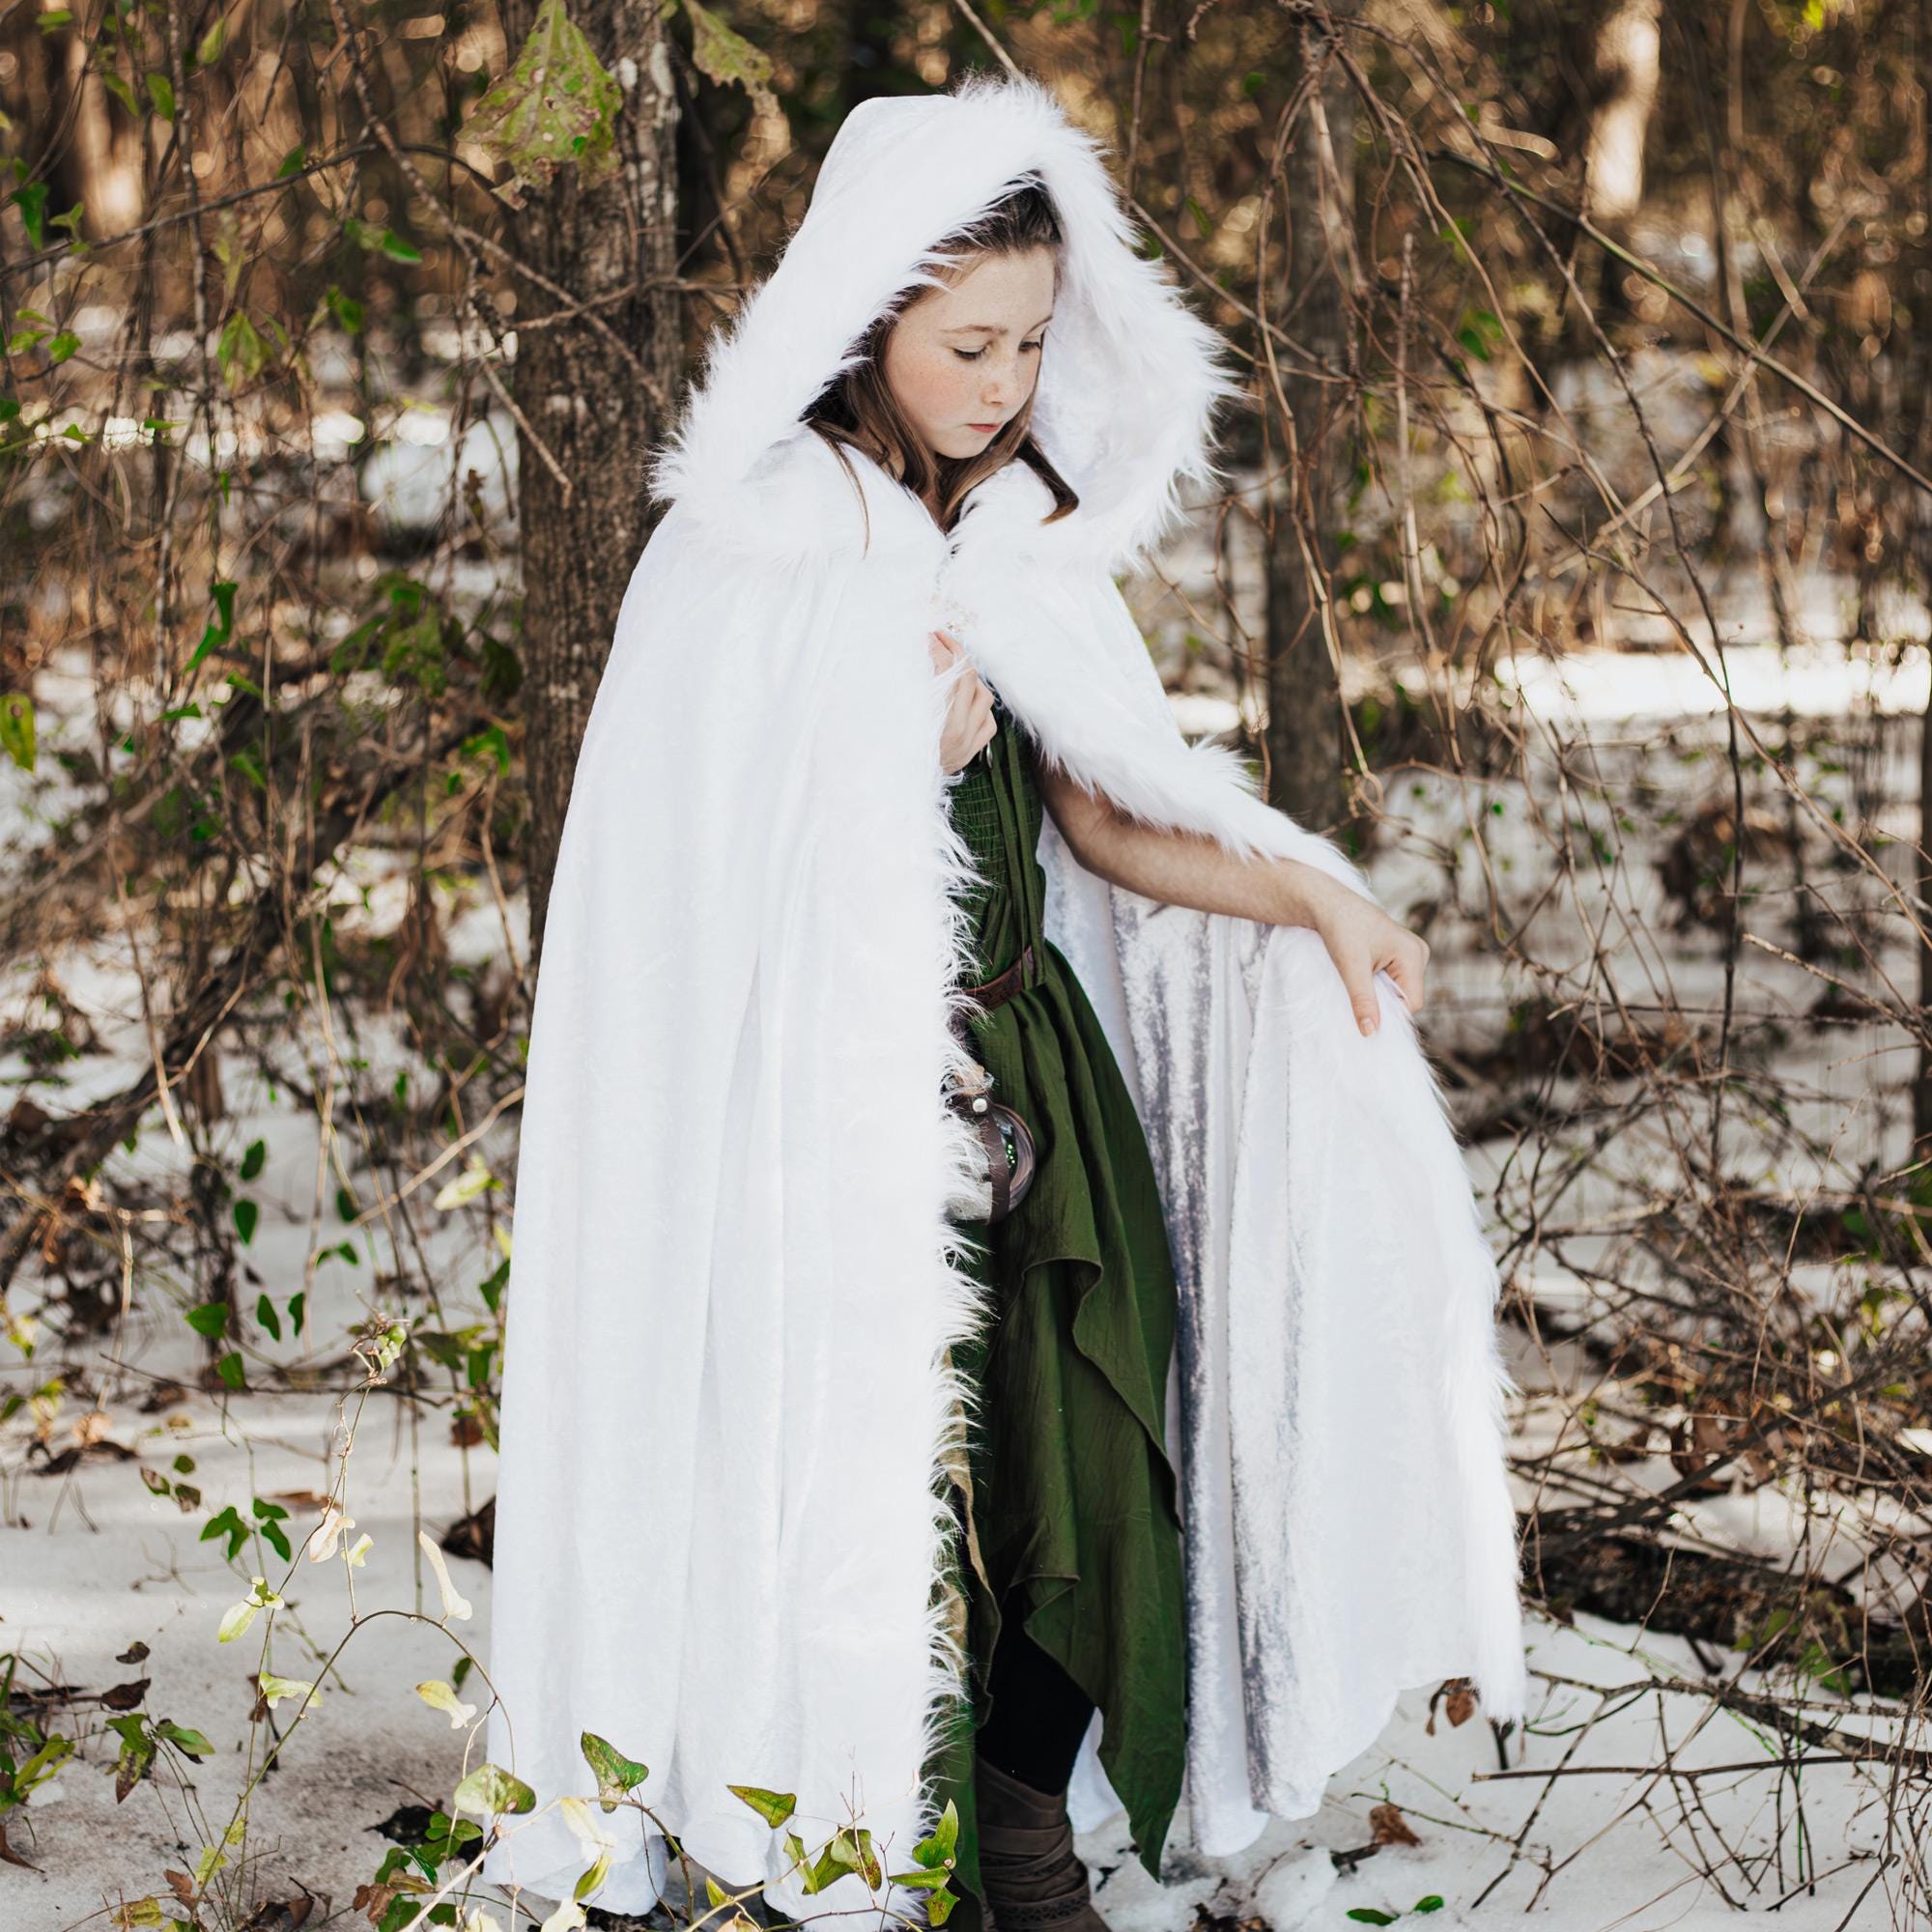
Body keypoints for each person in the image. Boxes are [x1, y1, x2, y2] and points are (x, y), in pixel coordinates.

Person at [483, 71, 1528, 1932]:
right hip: (816, 1114)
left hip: (1033, 1078)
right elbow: (696, 884)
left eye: (1035, 342)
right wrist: (889, 727)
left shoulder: (1022, 528)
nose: (1004, 382)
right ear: (864, 314)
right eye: (967, 342)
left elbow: (1112, 812)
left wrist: (1315, 896)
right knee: (840, 1476)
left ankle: (1024, 1827)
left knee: (1091, 1467)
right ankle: (846, 1841)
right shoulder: (755, 546)